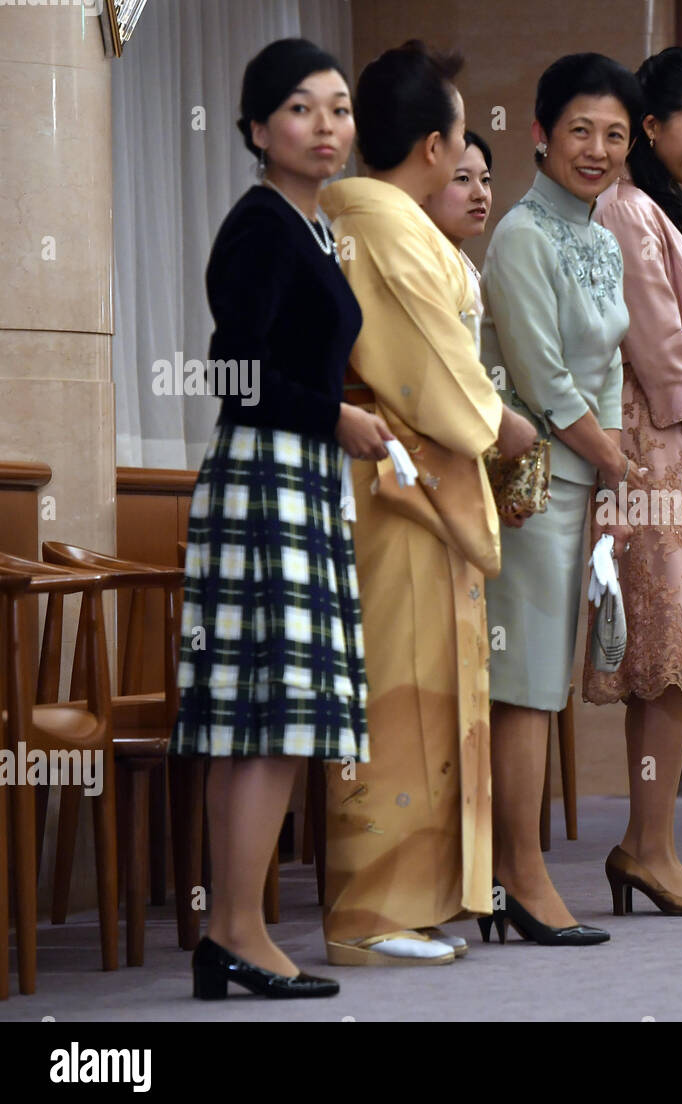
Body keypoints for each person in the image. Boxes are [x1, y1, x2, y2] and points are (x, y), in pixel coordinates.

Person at [173, 38, 394, 999]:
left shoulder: (308, 226)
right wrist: (334, 413)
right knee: (264, 718)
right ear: (259, 130)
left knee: (264, 716)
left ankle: (232, 929)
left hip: (293, 472)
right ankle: (236, 928)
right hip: (268, 473)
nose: (326, 126)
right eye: (302, 110)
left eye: (339, 109)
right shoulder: (262, 225)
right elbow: (235, 371)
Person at [318, 40, 538, 965]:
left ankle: (418, 896)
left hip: (410, 475)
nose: (464, 158)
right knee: (400, 689)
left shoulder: (379, 217)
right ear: (433, 143)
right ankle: (371, 912)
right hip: (394, 483)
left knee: (429, 689)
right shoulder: (386, 225)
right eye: (457, 135)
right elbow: (430, 372)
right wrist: (499, 424)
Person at [478, 53, 645, 944]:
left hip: (586, 481)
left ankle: (518, 871)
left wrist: (614, 482)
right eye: (580, 129)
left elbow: (610, 363)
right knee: (527, 684)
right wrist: (613, 459)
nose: (598, 148)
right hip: (530, 483)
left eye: (615, 133)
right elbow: (541, 380)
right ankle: (517, 872)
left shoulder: (603, 235)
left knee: (548, 680)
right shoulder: (521, 234)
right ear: (541, 134)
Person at [583, 47, 682, 915]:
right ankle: (647, 848)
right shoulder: (625, 211)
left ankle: (651, 846)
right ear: (652, 125)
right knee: (665, 655)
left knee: (671, 657)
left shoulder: (658, 208)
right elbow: (662, 351)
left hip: (672, 443)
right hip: (652, 447)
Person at [421, 129, 494, 351]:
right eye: (463, 178)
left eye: (485, 180)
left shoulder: (458, 258)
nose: (480, 193)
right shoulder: (423, 263)